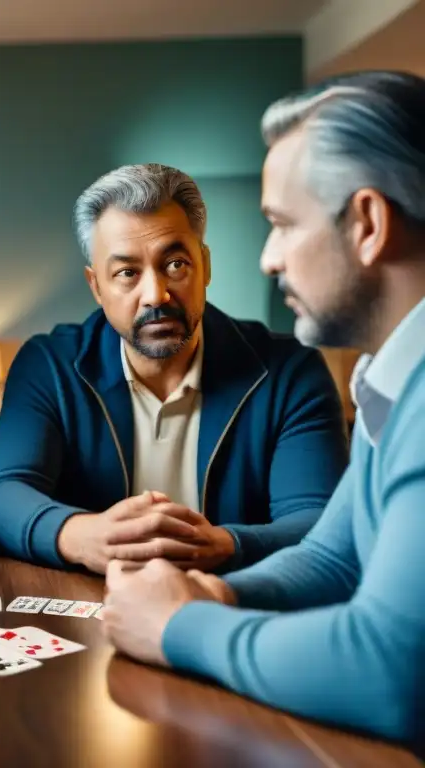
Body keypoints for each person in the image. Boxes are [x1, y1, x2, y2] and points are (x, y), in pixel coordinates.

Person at [102, 71, 425, 749]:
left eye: (281, 225)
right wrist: (214, 594)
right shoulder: (390, 373)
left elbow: (391, 672)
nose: (268, 259)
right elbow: (335, 559)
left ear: (367, 222)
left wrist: (178, 628)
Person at [0, 163, 349, 575]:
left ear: (204, 266)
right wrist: (84, 537)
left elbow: (319, 521)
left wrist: (226, 545)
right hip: (93, 610)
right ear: (96, 286)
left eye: (175, 264)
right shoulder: (48, 365)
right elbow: (1, 498)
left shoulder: (290, 372)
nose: (156, 293)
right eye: (126, 273)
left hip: (233, 606)